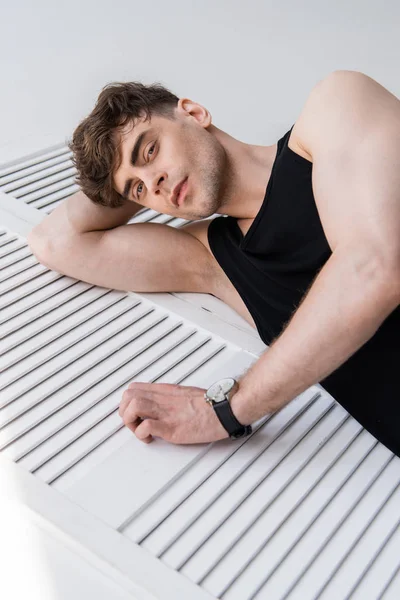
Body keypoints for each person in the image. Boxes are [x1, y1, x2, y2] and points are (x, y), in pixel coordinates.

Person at [27, 70, 400, 455]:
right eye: (137, 191)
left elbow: (373, 268)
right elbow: (53, 241)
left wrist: (226, 409)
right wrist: (120, 173)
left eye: (150, 150)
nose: (152, 184)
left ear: (193, 112)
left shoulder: (333, 110)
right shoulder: (214, 260)